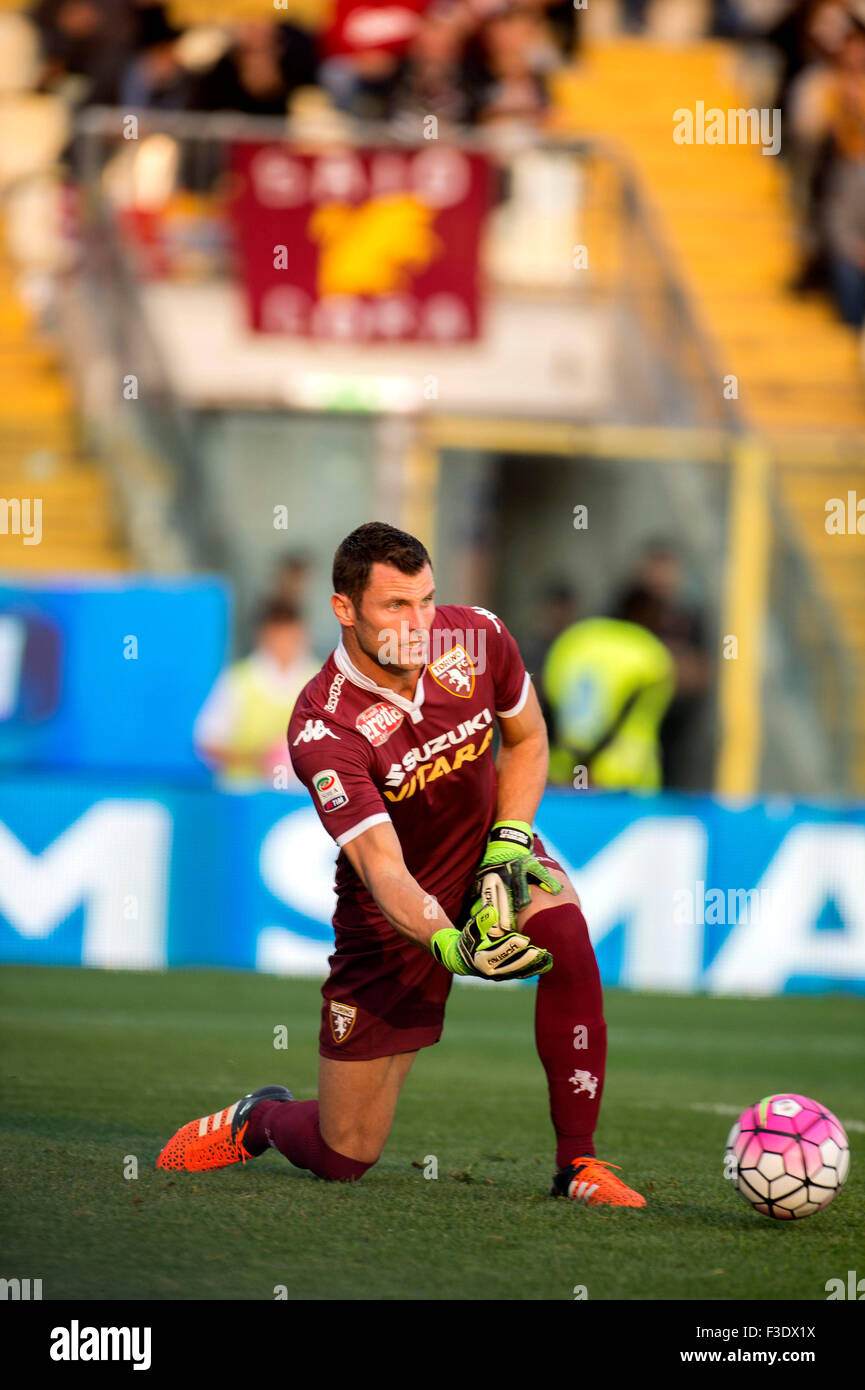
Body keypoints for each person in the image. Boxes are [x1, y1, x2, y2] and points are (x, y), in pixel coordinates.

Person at [158, 521, 645, 1208]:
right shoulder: (322, 726)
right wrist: (448, 943)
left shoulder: (477, 637)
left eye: (426, 600)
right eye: (395, 606)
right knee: (344, 1155)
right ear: (343, 609)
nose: (420, 623)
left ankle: (579, 1166)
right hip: (390, 919)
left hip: (485, 857)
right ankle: (262, 1117)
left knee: (564, 934)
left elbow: (529, 738)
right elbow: (380, 866)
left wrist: (508, 840)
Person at [193, 598, 317, 789]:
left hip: (303, 801)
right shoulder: (239, 681)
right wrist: (255, 759)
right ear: (264, 635)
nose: (284, 642)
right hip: (247, 796)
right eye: (278, 634)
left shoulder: (320, 681)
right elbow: (207, 743)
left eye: (290, 634)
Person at [542, 615, 676, 790]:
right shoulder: (649, 653)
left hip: (564, 778)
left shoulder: (572, 642)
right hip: (627, 782)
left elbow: (549, 701)